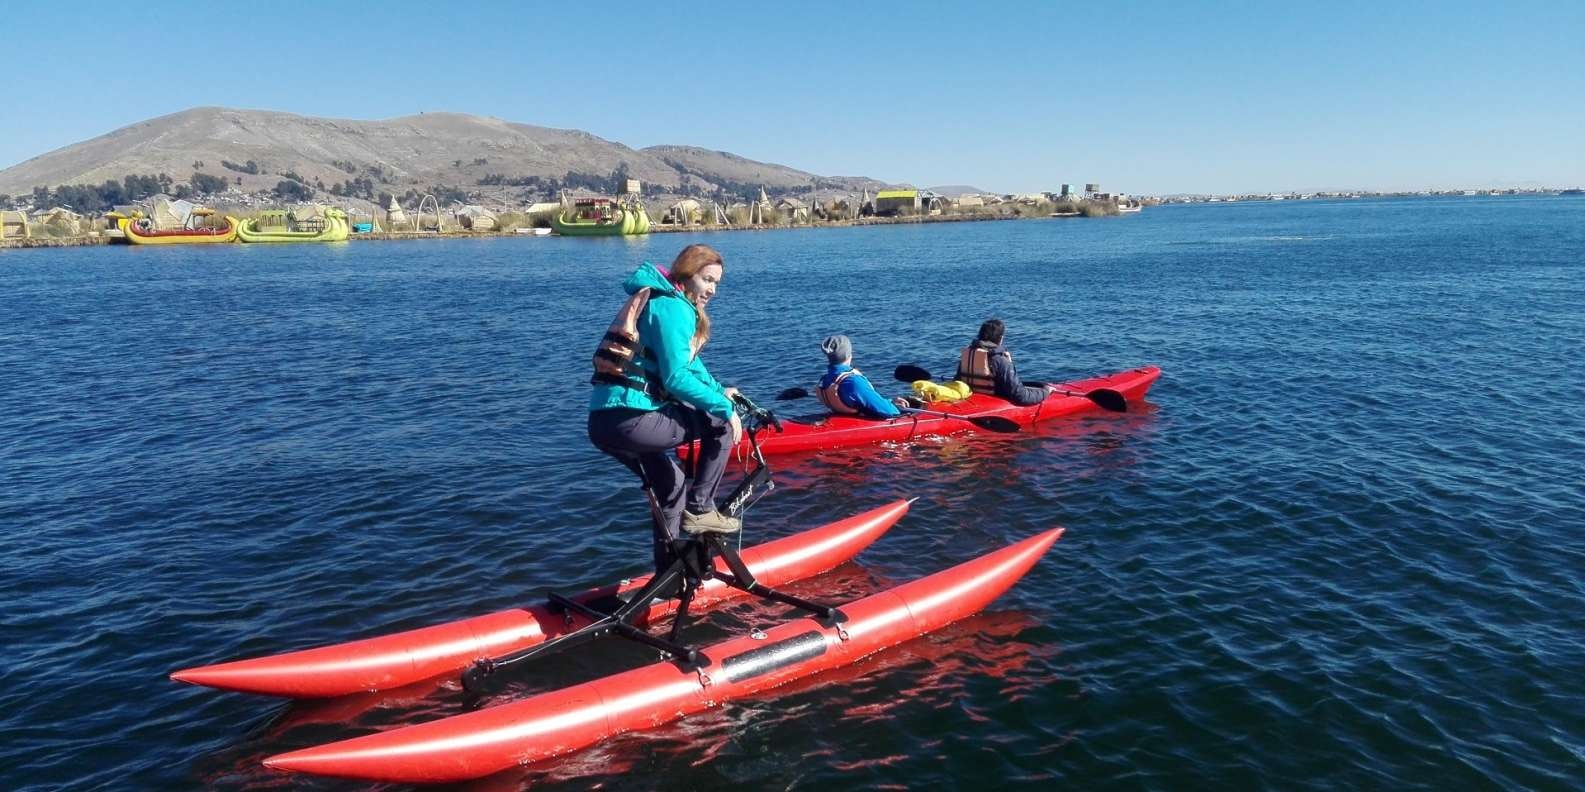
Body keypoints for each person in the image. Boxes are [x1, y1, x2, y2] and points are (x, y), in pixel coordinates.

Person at [587, 244, 743, 578]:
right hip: (631, 420)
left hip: (604, 422)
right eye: (707, 280)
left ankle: (668, 575)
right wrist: (725, 408)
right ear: (687, 275)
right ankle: (701, 509)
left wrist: (720, 392)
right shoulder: (674, 309)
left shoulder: (660, 300)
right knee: (720, 424)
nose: (713, 290)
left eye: (717, 283)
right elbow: (675, 378)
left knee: (671, 484)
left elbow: (692, 366)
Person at [955, 318, 1049, 406]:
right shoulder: (1000, 360)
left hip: (972, 400)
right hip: (994, 404)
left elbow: (957, 382)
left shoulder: (968, 356)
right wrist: (1045, 392)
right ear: (1000, 338)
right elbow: (1021, 396)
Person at [816, 334, 903, 419]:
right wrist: (894, 406)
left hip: (843, 420)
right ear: (848, 355)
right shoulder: (853, 382)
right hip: (863, 425)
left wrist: (890, 402)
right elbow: (889, 412)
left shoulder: (824, 380)